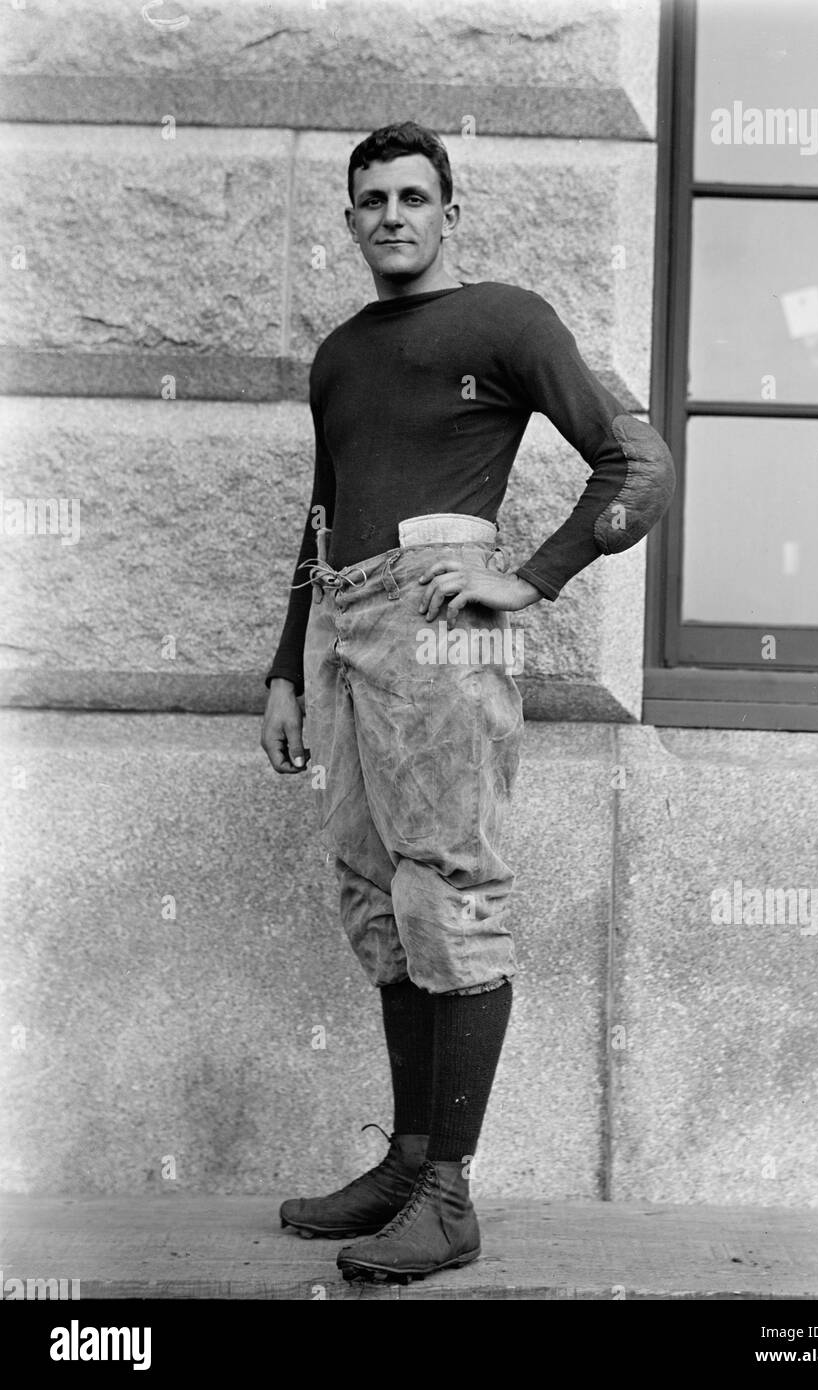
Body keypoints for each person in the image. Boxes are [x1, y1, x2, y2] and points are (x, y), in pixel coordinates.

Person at [261, 120, 675, 1284]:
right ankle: (405, 1159)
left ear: (451, 208)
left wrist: (527, 578)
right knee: (377, 897)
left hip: (439, 628)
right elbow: (319, 514)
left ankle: (451, 1194)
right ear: (350, 221)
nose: (391, 214)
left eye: (411, 195)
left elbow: (635, 463)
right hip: (347, 631)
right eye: (370, 200)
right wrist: (287, 666)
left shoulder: (505, 318)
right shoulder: (339, 353)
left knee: (450, 889)